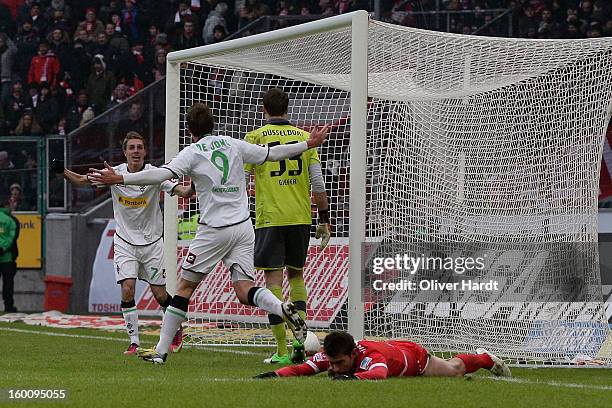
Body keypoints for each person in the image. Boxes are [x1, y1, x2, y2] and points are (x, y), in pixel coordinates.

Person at [88, 102, 329, 364]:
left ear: (190, 130)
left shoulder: (191, 152)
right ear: (212, 125)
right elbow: (272, 153)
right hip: (243, 227)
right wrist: (307, 144)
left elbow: (160, 175)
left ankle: (160, 350)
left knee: (183, 288)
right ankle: (281, 307)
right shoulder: (233, 143)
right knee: (244, 290)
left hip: (214, 230)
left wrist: (121, 179)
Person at [52, 131, 193, 355]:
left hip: (152, 243)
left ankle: (176, 328)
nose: (136, 151)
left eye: (140, 147)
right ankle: (134, 342)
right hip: (125, 242)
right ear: (125, 152)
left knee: (160, 295)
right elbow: (80, 181)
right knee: (127, 290)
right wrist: (62, 171)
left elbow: (182, 191)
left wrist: (193, 187)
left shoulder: (155, 174)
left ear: (145, 152)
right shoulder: (113, 173)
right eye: (132, 148)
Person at [244, 88, 331, 364]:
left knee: (272, 283)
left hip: (271, 218)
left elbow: (241, 180)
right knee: (296, 276)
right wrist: (325, 218)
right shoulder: (306, 138)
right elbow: (317, 183)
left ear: (263, 109)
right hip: (300, 217)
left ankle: (282, 351)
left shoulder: (255, 138)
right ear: (288, 108)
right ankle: (301, 343)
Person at [254, 331, 512, 380]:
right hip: (393, 347)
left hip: (415, 357)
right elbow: (303, 369)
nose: (332, 368)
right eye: (330, 363)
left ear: (353, 355)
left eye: (338, 364)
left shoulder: (370, 357)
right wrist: (275, 374)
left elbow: (379, 373)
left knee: (455, 369)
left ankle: (486, 359)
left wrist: (353, 380)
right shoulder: (333, 355)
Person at [0, 194, 19, 313]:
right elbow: (13, 237)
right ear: (7, 205)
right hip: (7, 257)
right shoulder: (11, 220)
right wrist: (3, 248)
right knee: (8, 284)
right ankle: (8, 306)